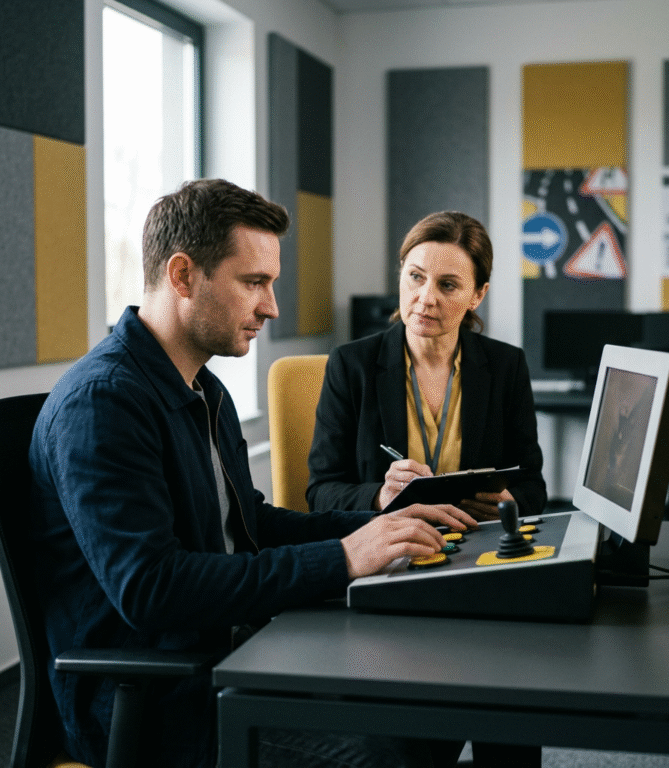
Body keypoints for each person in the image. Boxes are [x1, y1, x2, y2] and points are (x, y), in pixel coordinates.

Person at [28, 179, 477, 768]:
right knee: (394, 746)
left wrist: (380, 522)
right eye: (254, 283)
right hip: (154, 705)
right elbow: (152, 589)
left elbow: (249, 524)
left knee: (438, 707)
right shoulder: (103, 404)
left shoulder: (201, 387)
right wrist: (343, 558)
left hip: (232, 657)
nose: (272, 306)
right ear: (184, 276)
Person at [306, 211, 547, 768]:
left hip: (481, 564)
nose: (426, 298)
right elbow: (320, 492)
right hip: (390, 571)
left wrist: (513, 502)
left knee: (511, 706)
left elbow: (533, 484)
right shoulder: (353, 365)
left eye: (448, 284)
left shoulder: (505, 367)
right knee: (412, 742)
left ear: (478, 295)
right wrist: (376, 497)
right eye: (415, 277)